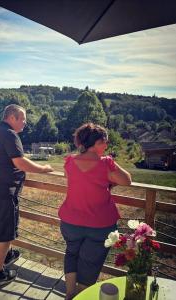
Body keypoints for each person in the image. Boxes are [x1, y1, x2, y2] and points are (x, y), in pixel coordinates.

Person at [0, 104, 53, 287]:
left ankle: (8, 254)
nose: (25, 123)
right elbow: (20, 162)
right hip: (2, 193)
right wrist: (44, 169)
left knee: (4, 226)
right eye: (23, 119)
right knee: (4, 233)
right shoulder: (9, 134)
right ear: (12, 117)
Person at [58, 123, 131, 300]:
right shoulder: (106, 163)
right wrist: (110, 162)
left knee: (72, 254)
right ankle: (81, 297)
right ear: (97, 142)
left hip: (70, 221)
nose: (106, 146)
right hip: (99, 225)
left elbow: (74, 179)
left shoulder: (69, 161)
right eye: (104, 141)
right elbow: (127, 180)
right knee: (90, 264)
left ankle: (69, 295)